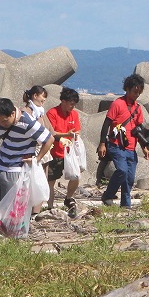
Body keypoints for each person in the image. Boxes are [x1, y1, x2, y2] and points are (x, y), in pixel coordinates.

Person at [0, 98, 54, 238]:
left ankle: (14, 241)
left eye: (4, 121)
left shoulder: (27, 122)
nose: (1, 124)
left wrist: (37, 159)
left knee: (13, 208)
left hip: (16, 170)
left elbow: (49, 139)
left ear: (13, 114)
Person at [98, 74, 149, 208]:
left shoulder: (138, 108)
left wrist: (144, 147)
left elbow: (139, 130)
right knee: (122, 171)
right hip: (116, 145)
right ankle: (108, 194)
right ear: (127, 89)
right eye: (135, 91)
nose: (137, 95)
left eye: (139, 92)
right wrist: (102, 143)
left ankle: (125, 205)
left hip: (131, 148)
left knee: (129, 179)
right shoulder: (117, 104)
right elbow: (106, 124)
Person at [45, 87, 82, 217]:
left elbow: (76, 132)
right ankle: (50, 207)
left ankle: (68, 197)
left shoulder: (74, 114)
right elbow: (52, 133)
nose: (73, 106)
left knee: (76, 176)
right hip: (55, 153)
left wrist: (73, 137)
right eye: (71, 103)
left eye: (74, 104)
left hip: (69, 153)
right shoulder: (52, 113)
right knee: (51, 180)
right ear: (63, 101)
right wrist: (66, 135)